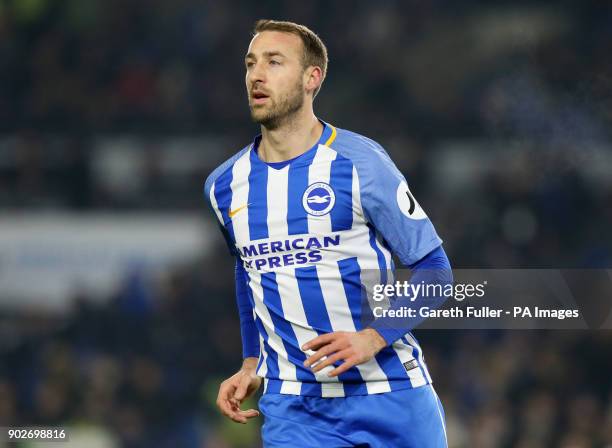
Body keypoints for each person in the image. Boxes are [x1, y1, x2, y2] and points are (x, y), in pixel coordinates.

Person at [204, 19, 452, 448]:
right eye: (250, 64)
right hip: (296, 410)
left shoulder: (361, 163)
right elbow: (248, 273)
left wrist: (373, 338)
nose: (256, 75)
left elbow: (435, 271)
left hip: (393, 396)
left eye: (274, 62)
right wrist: (251, 361)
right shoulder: (224, 185)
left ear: (311, 78)